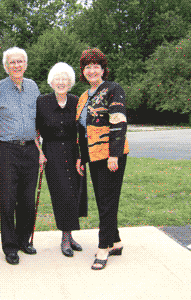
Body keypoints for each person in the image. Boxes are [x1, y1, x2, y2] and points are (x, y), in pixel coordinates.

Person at [0, 47, 43, 265]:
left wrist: (39, 149)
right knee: (8, 201)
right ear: (6, 66)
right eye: (12, 62)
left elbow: (38, 121)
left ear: (25, 64)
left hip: (30, 150)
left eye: (20, 61)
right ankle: (10, 247)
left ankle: (23, 241)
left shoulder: (33, 87)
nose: (17, 65)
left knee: (28, 201)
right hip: (6, 151)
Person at [76, 48, 129, 270]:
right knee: (104, 200)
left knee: (107, 201)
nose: (92, 70)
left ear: (103, 69)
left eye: (96, 66)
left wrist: (114, 154)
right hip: (94, 156)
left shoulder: (113, 89)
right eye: (87, 67)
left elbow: (118, 122)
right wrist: (81, 157)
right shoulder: (84, 96)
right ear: (83, 71)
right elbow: (81, 130)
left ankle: (103, 247)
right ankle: (115, 241)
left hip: (111, 156)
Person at [35, 62, 88, 257]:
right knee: (62, 194)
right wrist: (39, 152)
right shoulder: (42, 101)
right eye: (58, 78)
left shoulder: (76, 101)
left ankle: (69, 235)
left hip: (74, 152)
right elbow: (35, 130)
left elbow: (83, 131)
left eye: (65, 79)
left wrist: (81, 157)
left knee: (75, 193)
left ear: (70, 82)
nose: (61, 82)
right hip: (52, 152)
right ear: (51, 81)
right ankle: (65, 238)